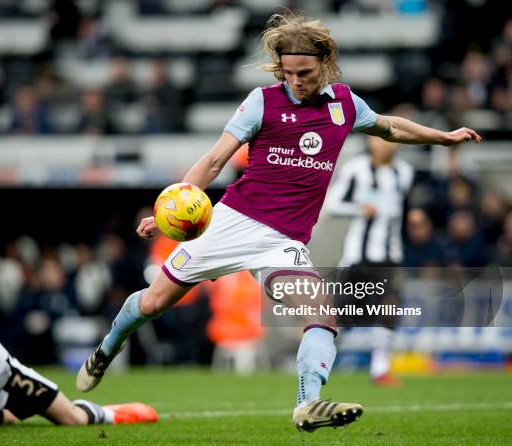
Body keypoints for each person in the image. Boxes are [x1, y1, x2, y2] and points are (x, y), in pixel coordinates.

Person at [77, 12, 482, 433]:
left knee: (322, 315)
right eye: (288, 73)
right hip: (232, 223)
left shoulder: (345, 105)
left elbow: (389, 128)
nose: (296, 81)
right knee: (153, 304)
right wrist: (167, 211)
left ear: (324, 64)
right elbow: (215, 159)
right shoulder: (262, 101)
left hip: (283, 243)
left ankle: (308, 404)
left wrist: (444, 136)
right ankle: (106, 349)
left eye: (304, 73)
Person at [0, 306, 158, 427]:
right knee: (7, 421)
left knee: (73, 420)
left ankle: (111, 413)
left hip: (11, 383)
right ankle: (7, 416)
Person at [327, 136, 414, 387]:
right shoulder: (356, 168)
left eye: (390, 139)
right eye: (380, 138)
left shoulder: (404, 172)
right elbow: (333, 204)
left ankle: (380, 370)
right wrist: (359, 208)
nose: (386, 144)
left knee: (388, 310)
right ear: (370, 140)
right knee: (343, 316)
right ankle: (320, 362)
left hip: (390, 256)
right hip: (357, 257)